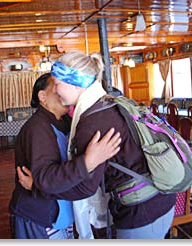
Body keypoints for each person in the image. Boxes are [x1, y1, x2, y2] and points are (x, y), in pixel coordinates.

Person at [47, 51, 176, 239]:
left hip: (141, 212)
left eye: (57, 84)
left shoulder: (91, 121)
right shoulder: (108, 103)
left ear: (74, 83)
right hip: (161, 197)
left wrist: (41, 186)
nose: (54, 91)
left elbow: (85, 187)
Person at [9, 73, 121, 239]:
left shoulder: (65, 122)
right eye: (55, 87)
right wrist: (88, 162)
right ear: (42, 97)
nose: (62, 91)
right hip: (38, 215)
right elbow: (47, 178)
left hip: (60, 211)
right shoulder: (37, 129)